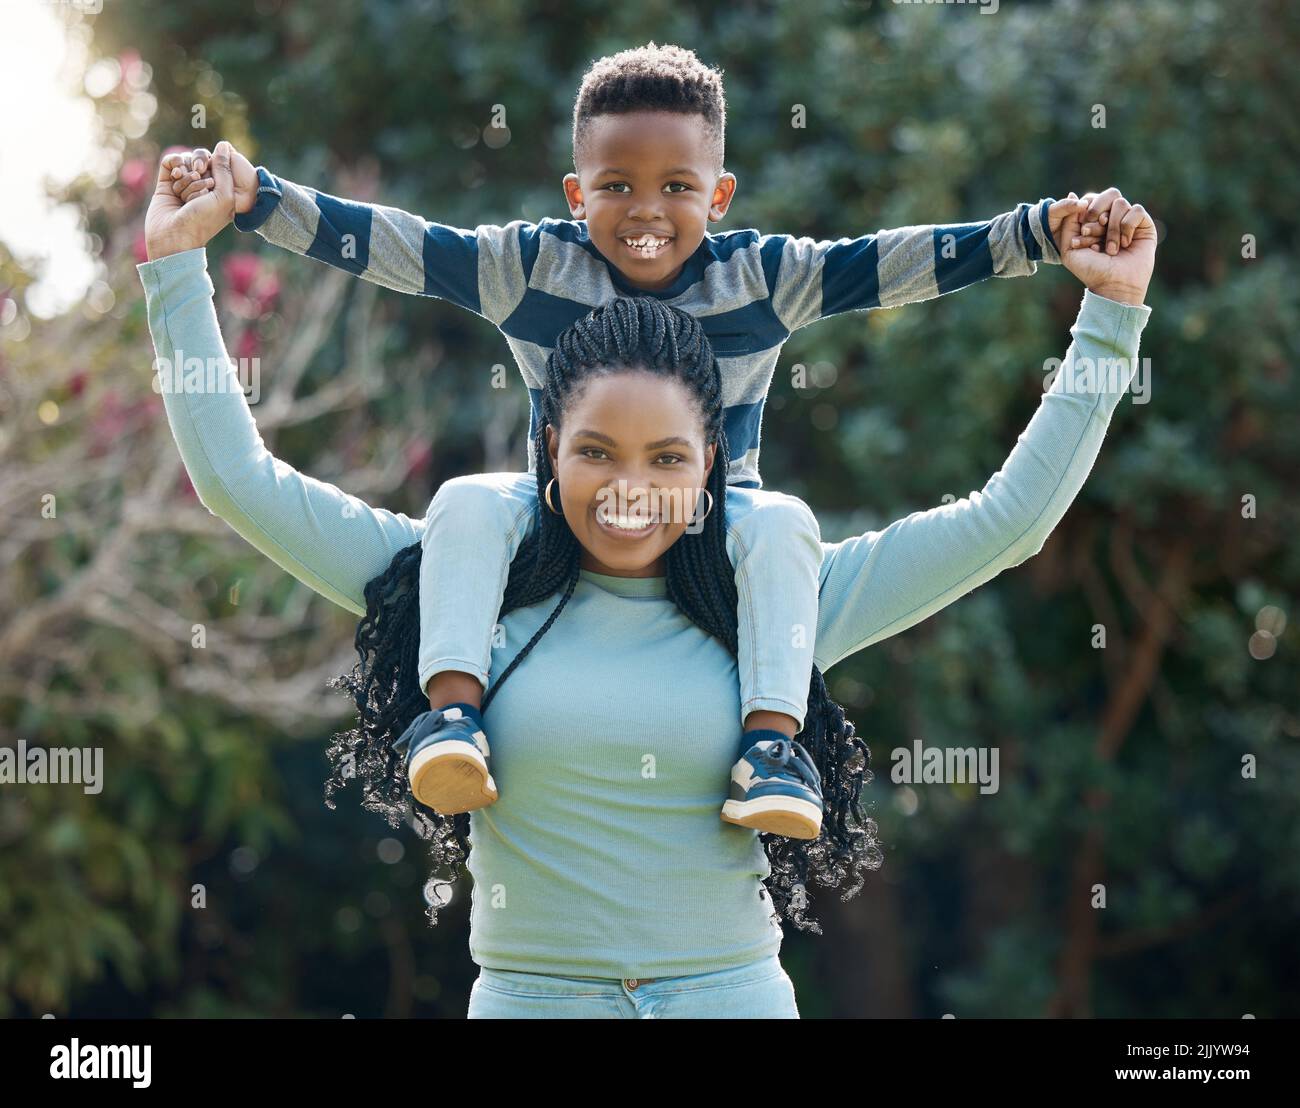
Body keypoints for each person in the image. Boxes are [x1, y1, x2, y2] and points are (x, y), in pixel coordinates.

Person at [139, 145, 1155, 1017]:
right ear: (548, 446)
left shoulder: (774, 601)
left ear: (712, 462)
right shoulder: (461, 579)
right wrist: (177, 266)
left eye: (667, 458)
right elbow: (239, 484)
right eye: (597, 453)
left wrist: (1108, 318)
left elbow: (1006, 523)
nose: (631, 489)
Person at [160, 41, 1121, 841]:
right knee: (463, 501)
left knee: (783, 519)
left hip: (724, 527)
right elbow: (402, 245)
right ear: (577, 192)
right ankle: (452, 711)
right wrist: (256, 202)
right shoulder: (530, 266)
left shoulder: (763, 280)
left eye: (677, 187)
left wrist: (1038, 236)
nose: (647, 211)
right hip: (546, 523)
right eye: (616, 185)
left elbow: (893, 268)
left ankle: (774, 744)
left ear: (723, 194)